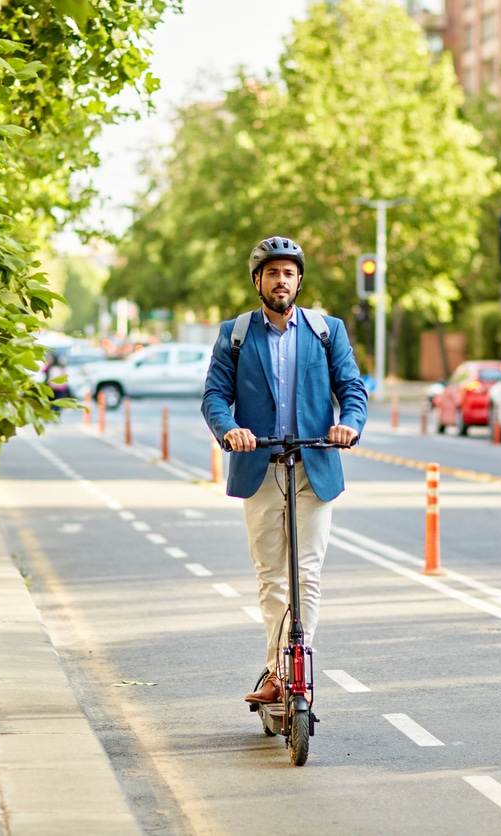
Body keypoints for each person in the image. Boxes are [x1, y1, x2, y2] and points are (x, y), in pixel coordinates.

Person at [202, 236, 368, 704]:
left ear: (299, 281)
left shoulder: (326, 331)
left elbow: (352, 389)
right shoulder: (236, 334)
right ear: (258, 280)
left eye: (289, 273)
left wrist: (348, 426)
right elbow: (215, 396)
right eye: (272, 272)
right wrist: (230, 429)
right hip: (260, 466)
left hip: (314, 466)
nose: (282, 280)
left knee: (308, 572)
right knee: (273, 575)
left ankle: (299, 664)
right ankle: (277, 670)